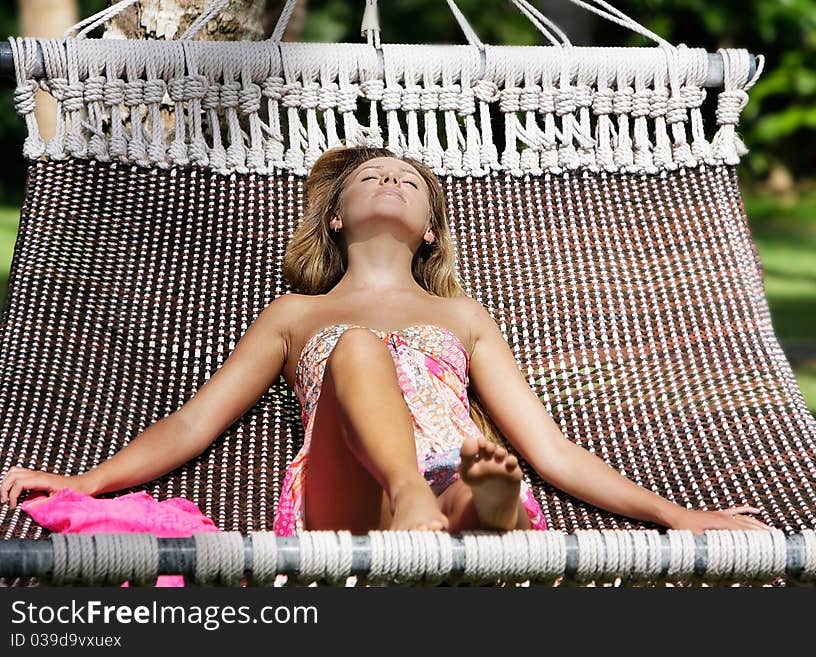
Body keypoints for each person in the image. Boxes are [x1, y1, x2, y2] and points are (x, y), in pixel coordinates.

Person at [0, 145, 771, 537]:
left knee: (479, 480)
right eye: (371, 175)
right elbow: (196, 422)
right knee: (357, 348)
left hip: (449, 480)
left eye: (409, 177)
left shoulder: (463, 315)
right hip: (349, 496)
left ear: (430, 227)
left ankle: (481, 501)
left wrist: (681, 517)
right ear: (334, 215)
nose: (392, 178)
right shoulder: (293, 314)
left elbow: (554, 449)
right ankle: (413, 494)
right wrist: (88, 481)